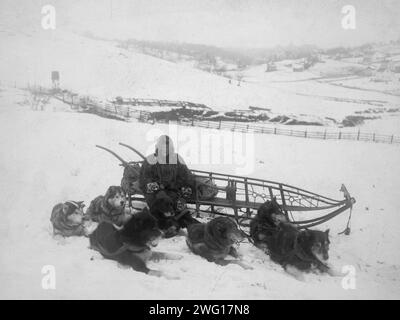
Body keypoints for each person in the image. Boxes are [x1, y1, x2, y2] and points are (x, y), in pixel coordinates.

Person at [139, 135, 199, 235]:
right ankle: (168, 226)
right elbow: (145, 179)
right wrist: (157, 188)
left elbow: (186, 175)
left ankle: (190, 224)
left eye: (167, 147)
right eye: (162, 146)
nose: (164, 149)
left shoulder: (176, 158)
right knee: (162, 206)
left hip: (173, 190)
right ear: (158, 147)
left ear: (171, 148)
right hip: (155, 192)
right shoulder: (151, 160)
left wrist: (183, 186)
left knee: (179, 207)